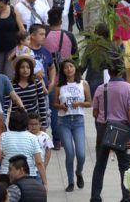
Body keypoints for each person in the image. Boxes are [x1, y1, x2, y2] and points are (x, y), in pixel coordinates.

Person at [90, 58, 130, 202]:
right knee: (124, 166)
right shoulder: (129, 88)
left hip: (104, 128)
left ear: (108, 72)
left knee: (100, 165)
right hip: (122, 129)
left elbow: (95, 113)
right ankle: (125, 198)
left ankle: (95, 197)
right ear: (122, 71)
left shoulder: (101, 88)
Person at [53, 59, 91, 192]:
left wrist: (79, 103)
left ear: (75, 68)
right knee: (70, 152)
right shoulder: (59, 86)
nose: (69, 69)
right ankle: (70, 182)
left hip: (78, 121)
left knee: (81, 154)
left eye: (71, 66)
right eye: (66, 68)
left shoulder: (83, 83)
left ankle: (78, 172)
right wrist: (60, 106)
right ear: (62, 71)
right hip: (64, 121)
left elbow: (89, 102)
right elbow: (55, 104)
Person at [0, 110, 47, 190]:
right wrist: (45, 183)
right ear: (26, 123)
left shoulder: (3, 136)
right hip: (29, 175)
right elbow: (39, 162)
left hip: (6, 174)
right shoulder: (32, 138)